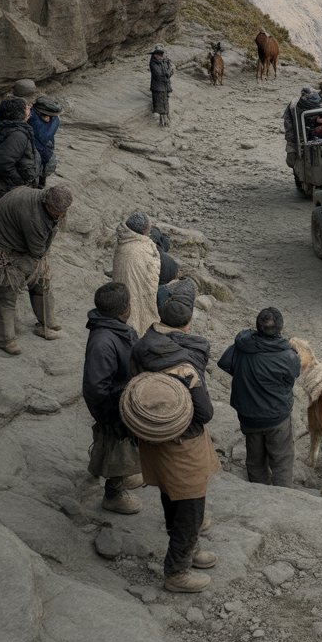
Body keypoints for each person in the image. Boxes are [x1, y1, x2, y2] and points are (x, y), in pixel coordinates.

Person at [129, 279, 219, 593]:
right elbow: (205, 412)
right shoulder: (188, 359)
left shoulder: (142, 344)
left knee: (171, 495)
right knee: (191, 507)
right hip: (185, 443)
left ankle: (188, 549)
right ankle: (176, 572)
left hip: (154, 435)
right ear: (188, 321)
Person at [0, 184, 72, 354]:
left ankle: (46, 323)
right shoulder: (33, 217)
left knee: (42, 281)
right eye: (56, 212)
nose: (61, 215)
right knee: (7, 289)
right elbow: (37, 251)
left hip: (19, 239)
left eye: (63, 211)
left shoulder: (44, 200)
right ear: (47, 203)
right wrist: (31, 266)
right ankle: (5, 340)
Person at [217, 307, 300, 488]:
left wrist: (243, 374)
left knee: (254, 460)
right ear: (280, 329)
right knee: (282, 461)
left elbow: (224, 362)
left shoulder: (242, 346)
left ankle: (258, 489)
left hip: (249, 416)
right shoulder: (288, 355)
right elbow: (292, 376)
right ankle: (284, 498)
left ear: (257, 327)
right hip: (277, 417)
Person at [82, 282, 143, 514]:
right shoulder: (103, 342)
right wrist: (111, 413)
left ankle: (124, 475)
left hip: (120, 398)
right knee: (116, 446)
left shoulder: (116, 328)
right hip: (113, 405)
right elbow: (96, 387)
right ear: (125, 308)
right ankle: (113, 494)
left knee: (122, 445)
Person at [111, 211, 161, 338]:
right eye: (149, 229)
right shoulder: (145, 249)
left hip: (119, 297)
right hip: (134, 298)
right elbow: (152, 280)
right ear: (144, 230)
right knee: (136, 323)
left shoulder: (123, 242)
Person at [0, 97, 39, 203]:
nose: (30, 109)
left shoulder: (3, 127)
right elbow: (2, 163)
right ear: (19, 113)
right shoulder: (17, 135)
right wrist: (19, 181)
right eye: (27, 108)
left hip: (1, 185)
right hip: (9, 189)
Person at [29, 95, 62, 188]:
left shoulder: (53, 119)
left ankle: (41, 183)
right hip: (34, 148)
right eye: (46, 115)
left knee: (45, 166)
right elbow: (43, 136)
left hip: (46, 148)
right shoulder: (32, 117)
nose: (48, 119)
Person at [149, 44, 174, 127]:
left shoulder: (164, 61)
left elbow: (170, 71)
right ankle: (162, 121)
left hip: (165, 86)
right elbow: (158, 74)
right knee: (160, 103)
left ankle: (166, 118)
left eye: (160, 53)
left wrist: (169, 71)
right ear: (154, 54)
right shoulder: (153, 63)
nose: (159, 55)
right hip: (158, 87)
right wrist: (167, 72)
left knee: (166, 102)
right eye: (157, 53)